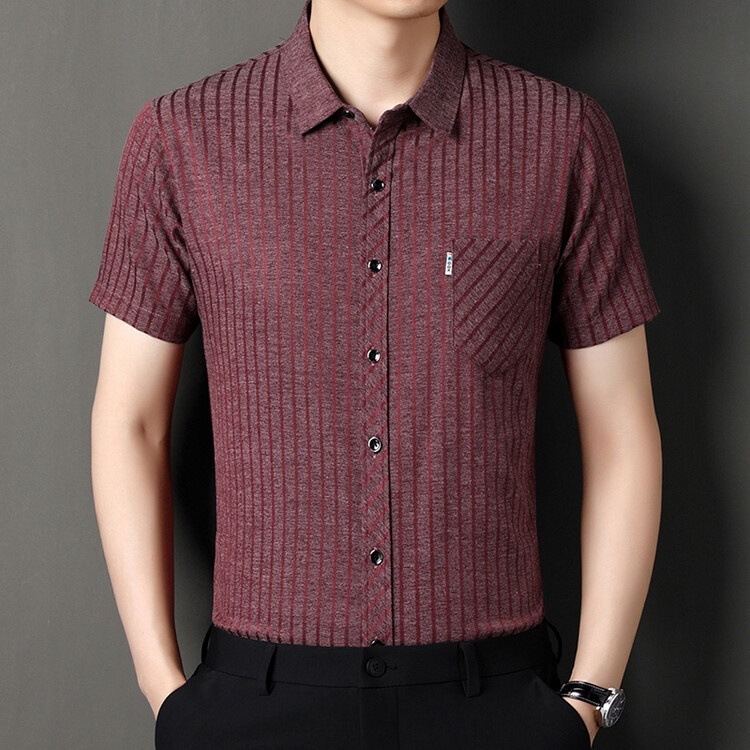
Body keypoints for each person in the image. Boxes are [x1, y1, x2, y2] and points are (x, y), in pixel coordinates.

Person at [88, 1, 662, 748]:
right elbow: (130, 422)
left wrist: (589, 696)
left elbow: (622, 429)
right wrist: (164, 690)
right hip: (254, 703)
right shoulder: (182, 137)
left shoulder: (562, 134)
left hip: (495, 702)